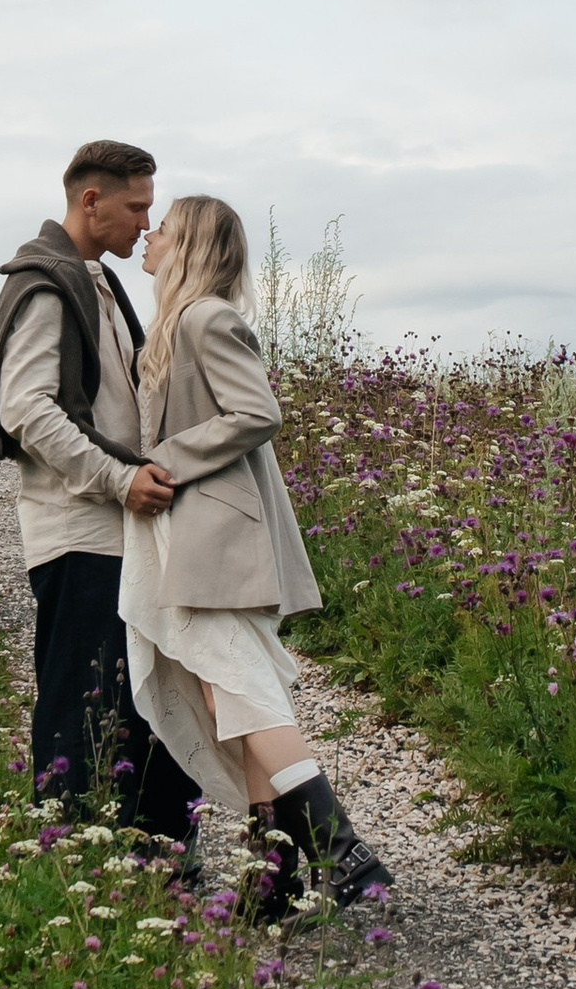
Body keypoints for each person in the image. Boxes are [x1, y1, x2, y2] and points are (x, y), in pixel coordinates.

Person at [117, 190, 389, 912]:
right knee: (224, 692)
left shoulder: (206, 319)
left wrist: (166, 458)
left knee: (239, 687)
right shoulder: (178, 323)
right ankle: (271, 882)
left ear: (190, 246)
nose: (148, 236)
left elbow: (258, 413)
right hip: (195, 537)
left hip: (217, 536)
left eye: (163, 229)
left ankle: (345, 854)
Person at [0, 138, 201, 854]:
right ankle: (72, 867)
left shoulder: (96, 280)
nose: (145, 223)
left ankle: (149, 855)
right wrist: (121, 477)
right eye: (136, 206)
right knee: (85, 704)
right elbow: (27, 409)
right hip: (79, 530)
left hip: (112, 531)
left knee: (137, 701)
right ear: (90, 199)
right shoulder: (48, 284)